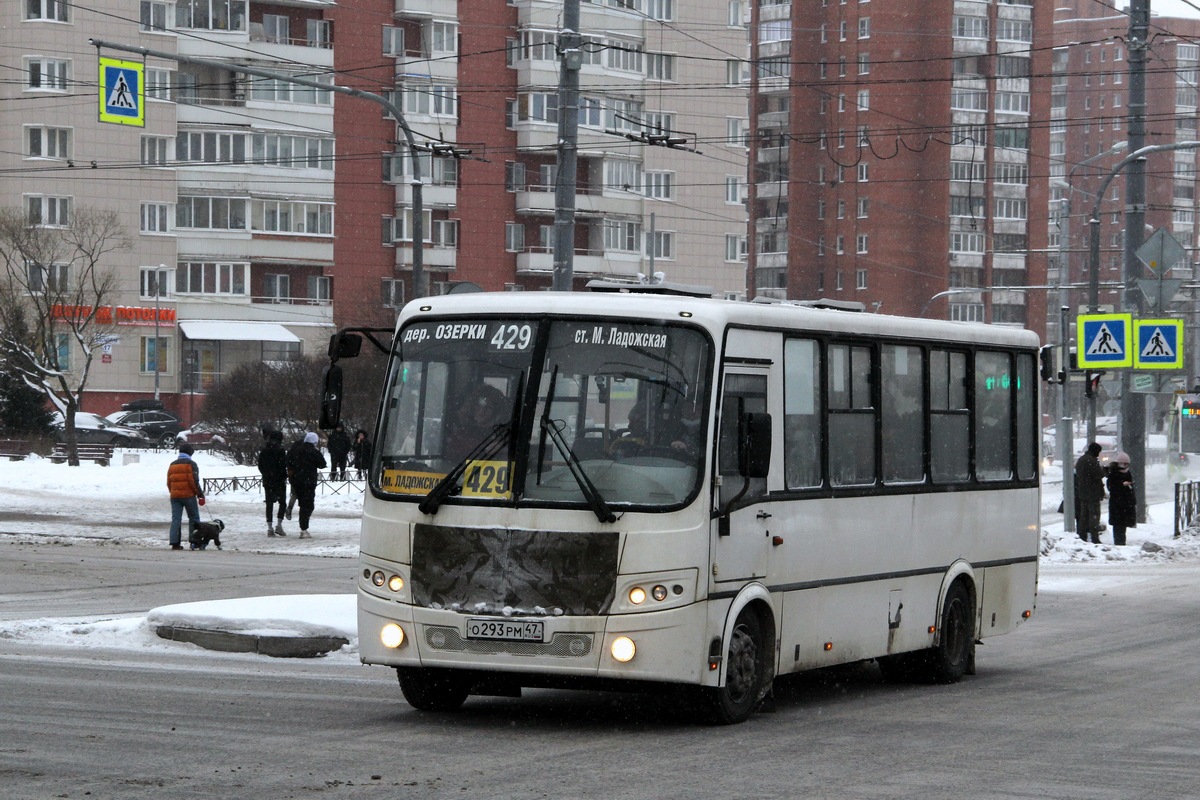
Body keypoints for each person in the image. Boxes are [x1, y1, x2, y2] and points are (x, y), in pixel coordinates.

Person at [444, 383, 507, 462]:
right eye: (479, 405)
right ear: (472, 407)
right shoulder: (462, 433)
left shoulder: (503, 434)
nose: (482, 411)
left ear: (495, 412)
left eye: (489, 407)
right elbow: (449, 461)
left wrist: (502, 449)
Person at [166, 442, 205, 551]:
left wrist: (173, 492)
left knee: (176, 519)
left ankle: (175, 543)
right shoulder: (191, 464)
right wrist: (200, 494)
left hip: (175, 496)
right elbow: (194, 481)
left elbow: (169, 481)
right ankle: (194, 542)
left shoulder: (172, 464)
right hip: (188, 496)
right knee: (194, 518)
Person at [287, 431, 326, 538]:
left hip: (297, 481)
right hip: (309, 481)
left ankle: (303, 527)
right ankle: (304, 528)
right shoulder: (314, 452)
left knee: (302, 504)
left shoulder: (297, 450)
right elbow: (322, 464)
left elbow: (290, 462)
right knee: (308, 505)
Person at [257, 429, 289, 537]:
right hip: (279, 480)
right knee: (282, 503)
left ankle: (269, 527)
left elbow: (260, 466)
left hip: (268, 480)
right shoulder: (280, 451)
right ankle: (279, 525)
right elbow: (283, 465)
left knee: (269, 504)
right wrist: (283, 476)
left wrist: (266, 474)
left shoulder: (264, 450)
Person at [1074, 441, 1106, 545]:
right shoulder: (1091, 461)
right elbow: (1098, 474)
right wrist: (1105, 470)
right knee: (1094, 516)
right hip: (1093, 493)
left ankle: (1082, 536)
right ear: (1095, 451)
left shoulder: (1081, 460)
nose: (1098, 454)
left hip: (1083, 493)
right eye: (1098, 452)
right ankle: (1094, 538)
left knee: (1083, 516)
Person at [1106, 451, 1137, 546]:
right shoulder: (1114, 474)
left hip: (1124, 505)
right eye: (1122, 463)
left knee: (1122, 526)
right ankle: (1119, 543)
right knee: (1118, 526)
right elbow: (1111, 488)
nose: (1124, 466)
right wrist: (1122, 485)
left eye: (1126, 464)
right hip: (1118, 505)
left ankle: (1121, 542)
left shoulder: (1127, 474)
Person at [284, 434, 306, 520]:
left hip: (293, 474)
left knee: (294, 494)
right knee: (304, 494)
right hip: (304, 474)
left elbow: (288, 462)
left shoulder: (292, 449)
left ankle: (289, 508)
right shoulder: (305, 449)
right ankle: (303, 513)